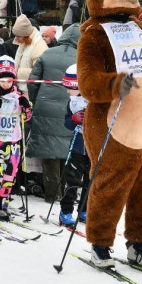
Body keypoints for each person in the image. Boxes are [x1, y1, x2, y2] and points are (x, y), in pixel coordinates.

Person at [27, 24, 79, 203]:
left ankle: (51, 194)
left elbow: (32, 81)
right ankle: (64, 192)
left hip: (45, 107)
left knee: (49, 152)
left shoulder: (47, 53)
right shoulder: (81, 57)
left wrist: (36, 100)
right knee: (67, 151)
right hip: (70, 107)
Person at [0, 56, 32, 221]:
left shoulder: (18, 96)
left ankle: (1, 204)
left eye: (9, 80)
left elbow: (27, 117)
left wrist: (26, 106)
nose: (6, 84)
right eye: (2, 80)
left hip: (14, 142)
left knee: (9, 177)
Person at [59, 64, 89, 226]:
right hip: (77, 148)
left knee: (90, 182)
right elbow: (67, 123)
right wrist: (73, 119)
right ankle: (66, 211)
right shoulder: (72, 103)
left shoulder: (95, 100)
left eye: (69, 88)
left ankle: (84, 210)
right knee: (73, 181)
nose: (67, 92)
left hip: (93, 148)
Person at [11, 14, 48, 95]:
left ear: (25, 35)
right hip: (21, 88)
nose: (16, 39)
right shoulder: (25, 42)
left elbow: (39, 73)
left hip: (30, 91)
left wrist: (17, 72)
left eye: (18, 36)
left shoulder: (39, 47)